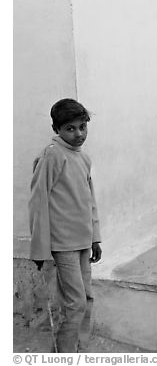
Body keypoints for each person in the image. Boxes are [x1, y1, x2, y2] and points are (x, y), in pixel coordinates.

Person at [29, 98, 102, 352]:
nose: (79, 133)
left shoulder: (83, 159)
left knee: (86, 298)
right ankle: (65, 353)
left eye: (83, 127)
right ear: (56, 128)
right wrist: (39, 250)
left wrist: (95, 237)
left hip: (83, 241)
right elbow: (38, 202)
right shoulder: (53, 155)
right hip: (64, 245)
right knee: (75, 303)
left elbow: (89, 201)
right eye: (70, 128)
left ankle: (79, 348)